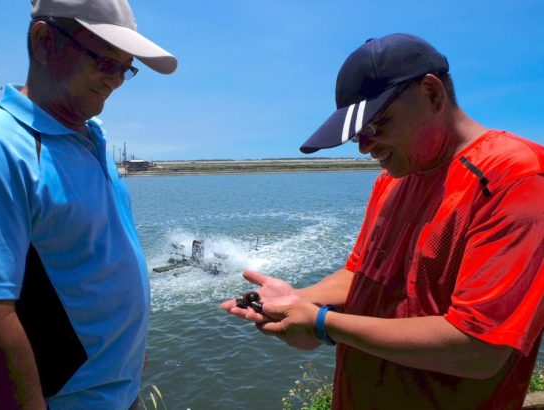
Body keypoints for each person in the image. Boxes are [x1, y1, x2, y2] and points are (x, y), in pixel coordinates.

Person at [222, 33, 544, 409]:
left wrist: (324, 324)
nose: (363, 146)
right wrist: (297, 303)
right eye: (356, 134)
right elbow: (362, 274)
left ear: (432, 94)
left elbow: (478, 349)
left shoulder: (514, 178)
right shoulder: (391, 180)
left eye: (376, 124)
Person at [0, 0, 176, 408]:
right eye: (104, 61)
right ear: (44, 41)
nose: (115, 80)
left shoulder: (89, 135)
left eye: (125, 68)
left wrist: (128, 350)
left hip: (120, 389)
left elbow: (89, 261)